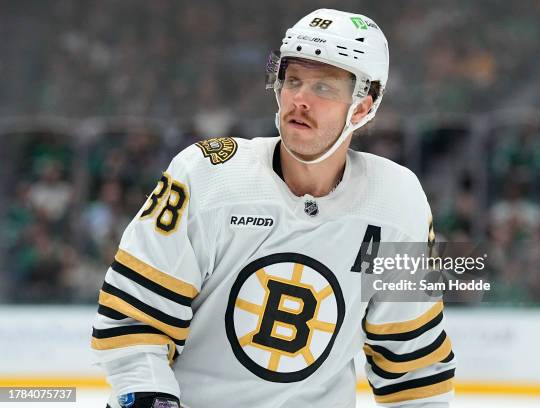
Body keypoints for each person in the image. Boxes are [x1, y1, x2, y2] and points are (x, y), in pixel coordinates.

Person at [92, 8, 455, 408]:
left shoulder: (398, 203)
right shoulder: (209, 175)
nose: (299, 99)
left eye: (324, 88)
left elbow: (413, 369)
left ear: (363, 108)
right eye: (293, 80)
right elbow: (134, 319)